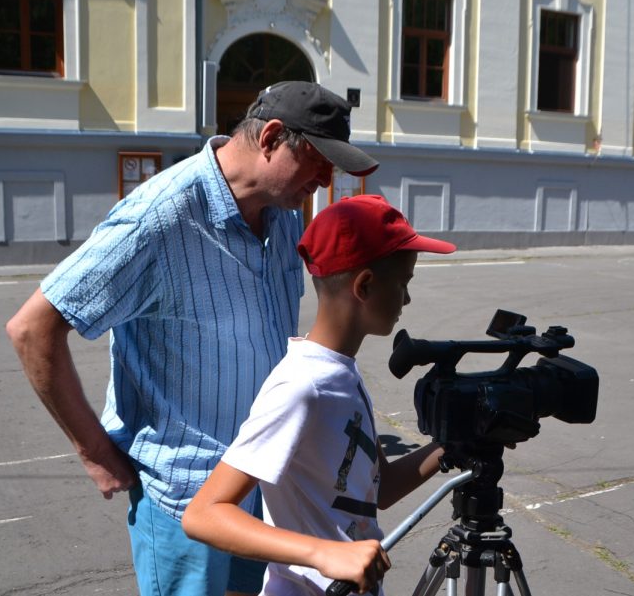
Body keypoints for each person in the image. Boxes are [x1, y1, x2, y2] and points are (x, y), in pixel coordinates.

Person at [5, 81, 379, 596]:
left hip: (257, 490)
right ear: (271, 138)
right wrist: (93, 450)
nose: (326, 179)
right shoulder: (160, 217)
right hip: (184, 496)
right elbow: (32, 329)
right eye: (319, 161)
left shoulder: (284, 215)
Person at [181, 194, 456, 596]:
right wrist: (324, 554)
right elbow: (203, 515)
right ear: (364, 285)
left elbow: (380, 490)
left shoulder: (342, 373)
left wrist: (453, 446)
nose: (407, 298)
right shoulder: (301, 386)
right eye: (403, 283)